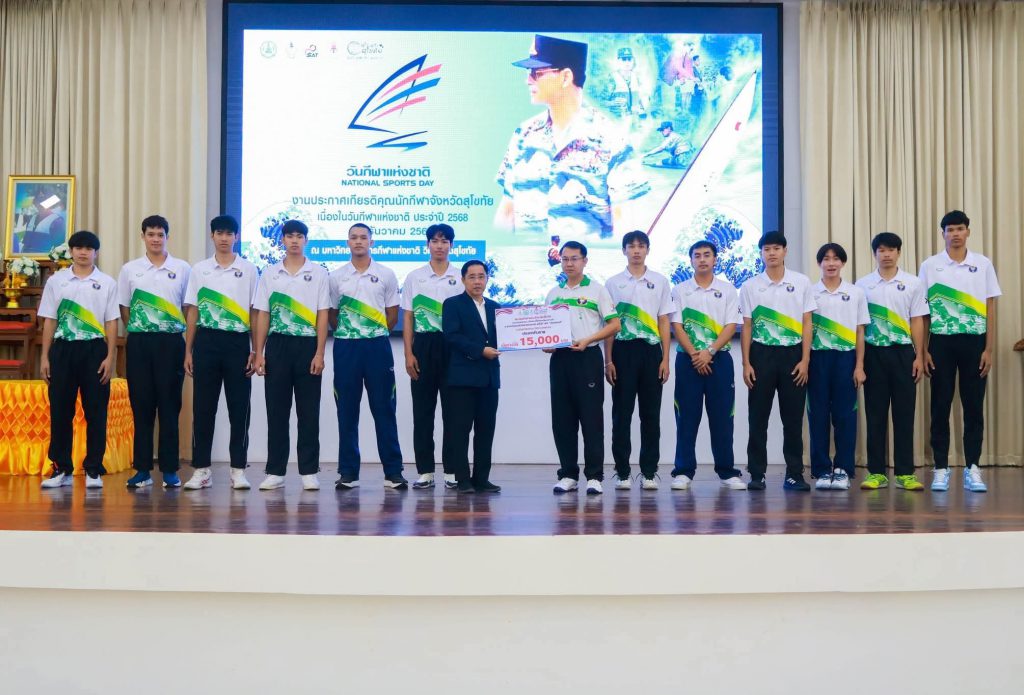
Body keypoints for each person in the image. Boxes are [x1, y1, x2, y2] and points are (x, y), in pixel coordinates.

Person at [496, 34, 649, 242]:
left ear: (566, 77)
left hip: (589, 260)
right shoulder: (523, 135)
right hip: (527, 259)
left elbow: (625, 223)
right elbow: (507, 211)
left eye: (536, 73)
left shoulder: (612, 139)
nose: (528, 80)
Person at [919, 210, 1001, 493]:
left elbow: (990, 308)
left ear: (968, 232)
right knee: (939, 406)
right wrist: (924, 350)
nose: (955, 234)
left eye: (960, 229)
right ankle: (940, 468)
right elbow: (922, 312)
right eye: (950, 230)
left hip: (974, 343)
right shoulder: (930, 266)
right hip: (940, 343)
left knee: (974, 407)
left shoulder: (983, 264)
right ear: (942, 233)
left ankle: (973, 468)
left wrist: (988, 348)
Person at [251, 220, 330, 491]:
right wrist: (259, 353)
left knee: (309, 412)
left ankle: (309, 471)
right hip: (278, 346)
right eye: (290, 236)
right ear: (282, 240)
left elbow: (322, 315)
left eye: (299, 236)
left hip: (307, 346)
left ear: (306, 240)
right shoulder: (269, 273)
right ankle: (275, 471)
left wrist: (320, 352)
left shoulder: (319, 273)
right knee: (277, 411)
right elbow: (263, 314)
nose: (294, 241)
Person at [182, 215, 259, 490]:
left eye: (229, 233)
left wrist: (255, 350)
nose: (224, 238)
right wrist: (188, 350)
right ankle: (201, 470)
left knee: (239, 410)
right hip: (206, 342)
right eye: (219, 233)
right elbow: (192, 310)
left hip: (237, 343)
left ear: (236, 237)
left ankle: (238, 469)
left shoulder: (249, 269)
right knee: (203, 409)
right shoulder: (200, 269)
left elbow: (255, 312)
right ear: (212, 236)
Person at [38, 230, 119, 490]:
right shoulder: (57, 281)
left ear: (96, 252)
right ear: (71, 251)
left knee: (96, 411)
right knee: (61, 411)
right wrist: (45, 357)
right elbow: (50, 320)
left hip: (94, 351)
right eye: (78, 248)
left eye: (88, 248)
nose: (83, 253)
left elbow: (111, 322)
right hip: (63, 351)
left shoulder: (106, 282)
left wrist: (110, 357)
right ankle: (61, 468)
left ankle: (93, 469)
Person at [330, 223, 406, 490]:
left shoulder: (386, 274)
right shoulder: (336, 276)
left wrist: (372, 331)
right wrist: (352, 331)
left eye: (364, 237)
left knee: (385, 409)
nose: (359, 241)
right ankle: (348, 472)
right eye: (354, 237)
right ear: (347, 243)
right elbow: (332, 314)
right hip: (346, 348)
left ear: (371, 242)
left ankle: (393, 472)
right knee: (347, 411)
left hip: (377, 348)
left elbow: (392, 314)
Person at [739, 231, 815, 491]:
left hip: (793, 356)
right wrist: (746, 363)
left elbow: (807, 323)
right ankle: (756, 473)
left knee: (792, 420)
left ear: (785, 251)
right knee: (757, 418)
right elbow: (747, 326)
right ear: (761, 253)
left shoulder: (801, 282)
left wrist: (805, 360)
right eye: (766, 249)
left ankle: (794, 474)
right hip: (761, 355)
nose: (771, 253)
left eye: (776, 248)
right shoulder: (750, 286)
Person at [118, 215, 190, 489]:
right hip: (140, 344)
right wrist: (141, 328)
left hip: (171, 344)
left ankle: (170, 470)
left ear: (167, 237)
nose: (156, 239)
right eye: (151, 234)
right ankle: (142, 470)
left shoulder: (182, 268)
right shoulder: (130, 269)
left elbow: (188, 308)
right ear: (143, 236)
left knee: (170, 407)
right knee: (142, 407)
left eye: (160, 234)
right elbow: (124, 307)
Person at [669, 240, 745, 491]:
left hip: (719, 360)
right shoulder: (680, 290)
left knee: (723, 418)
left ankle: (727, 472)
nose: (702, 259)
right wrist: (695, 354)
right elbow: (676, 325)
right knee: (686, 418)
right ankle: (683, 471)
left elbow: (731, 325)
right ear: (691, 260)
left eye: (707, 255)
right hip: (688, 360)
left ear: (715, 259)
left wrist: (709, 352)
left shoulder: (728, 290)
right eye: (697, 255)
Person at [546, 241, 620, 495]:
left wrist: (588, 340)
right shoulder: (553, 293)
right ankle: (568, 474)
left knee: (591, 419)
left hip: (587, 357)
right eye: (565, 259)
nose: (569, 263)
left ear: (585, 261)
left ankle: (594, 476)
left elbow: (614, 325)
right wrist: (548, 344)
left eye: (574, 259)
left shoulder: (597, 290)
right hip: (560, 360)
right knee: (562, 420)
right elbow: (546, 329)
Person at [855, 232, 928, 491]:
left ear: (899, 252)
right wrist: (860, 363)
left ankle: (905, 473)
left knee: (904, 415)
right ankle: (876, 472)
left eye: (891, 250)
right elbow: (860, 327)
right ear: (874, 253)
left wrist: (919, 356)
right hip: (874, 354)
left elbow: (917, 320)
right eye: (881, 250)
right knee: (875, 415)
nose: (886, 255)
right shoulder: (862, 285)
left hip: (903, 354)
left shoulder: (913, 283)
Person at [604, 230, 674, 489]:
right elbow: (609, 324)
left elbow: (664, 320)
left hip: (651, 352)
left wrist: (665, 359)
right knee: (621, 415)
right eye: (631, 246)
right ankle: (622, 473)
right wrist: (608, 360)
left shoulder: (660, 281)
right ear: (624, 250)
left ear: (647, 250)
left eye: (641, 246)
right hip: (622, 352)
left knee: (650, 415)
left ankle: (649, 472)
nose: (636, 250)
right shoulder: (612, 283)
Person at [402, 223, 463, 490]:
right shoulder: (414, 277)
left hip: (453, 347)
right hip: (423, 346)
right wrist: (408, 353)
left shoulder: (461, 276)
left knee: (454, 413)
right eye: (435, 241)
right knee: (423, 412)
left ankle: (452, 470)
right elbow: (408, 318)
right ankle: (425, 471)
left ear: (451, 245)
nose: (440, 246)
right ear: (427, 244)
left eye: (444, 241)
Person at [808, 243, 869, 491]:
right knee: (818, 416)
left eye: (835, 259)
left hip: (846, 359)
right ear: (819, 263)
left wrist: (859, 366)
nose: (830, 263)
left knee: (845, 416)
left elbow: (860, 331)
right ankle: (822, 470)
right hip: (817, 359)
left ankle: (843, 469)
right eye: (826, 258)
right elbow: (804, 329)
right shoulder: (810, 292)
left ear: (843, 263)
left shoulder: (856, 293)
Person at [441, 260, 502, 493]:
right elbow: (452, 336)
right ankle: (463, 479)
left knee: (486, 431)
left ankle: (481, 479)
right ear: (463, 279)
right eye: (472, 277)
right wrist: (480, 350)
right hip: (463, 378)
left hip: (489, 378)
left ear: (487, 279)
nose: (477, 281)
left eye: (481, 276)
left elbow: (504, 336)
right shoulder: (453, 304)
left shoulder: (496, 307)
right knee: (460, 431)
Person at [605, 46, 648, 120]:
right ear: (618, 61)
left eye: (629, 59)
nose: (627, 62)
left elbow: (639, 97)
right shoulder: (612, 78)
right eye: (624, 59)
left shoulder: (636, 77)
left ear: (633, 61)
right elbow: (600, 102)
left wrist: (642, 109)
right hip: (617, 119)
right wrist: (612, 103)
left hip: (634, 119)